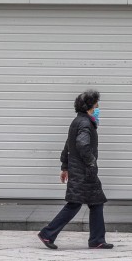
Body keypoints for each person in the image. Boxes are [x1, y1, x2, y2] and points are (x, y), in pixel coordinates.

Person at [38, 89, 114, 250]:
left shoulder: (77, 121)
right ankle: (47, 233)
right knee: (75, 204)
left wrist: (64, 166)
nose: (98, 107)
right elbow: (82, 144)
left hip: (79, 171)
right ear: (90, 107)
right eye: (96, 105)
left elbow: (68, 145)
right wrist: (91, 162)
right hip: (85, 172)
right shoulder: (86, 123)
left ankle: (97, 239)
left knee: (95, 203)